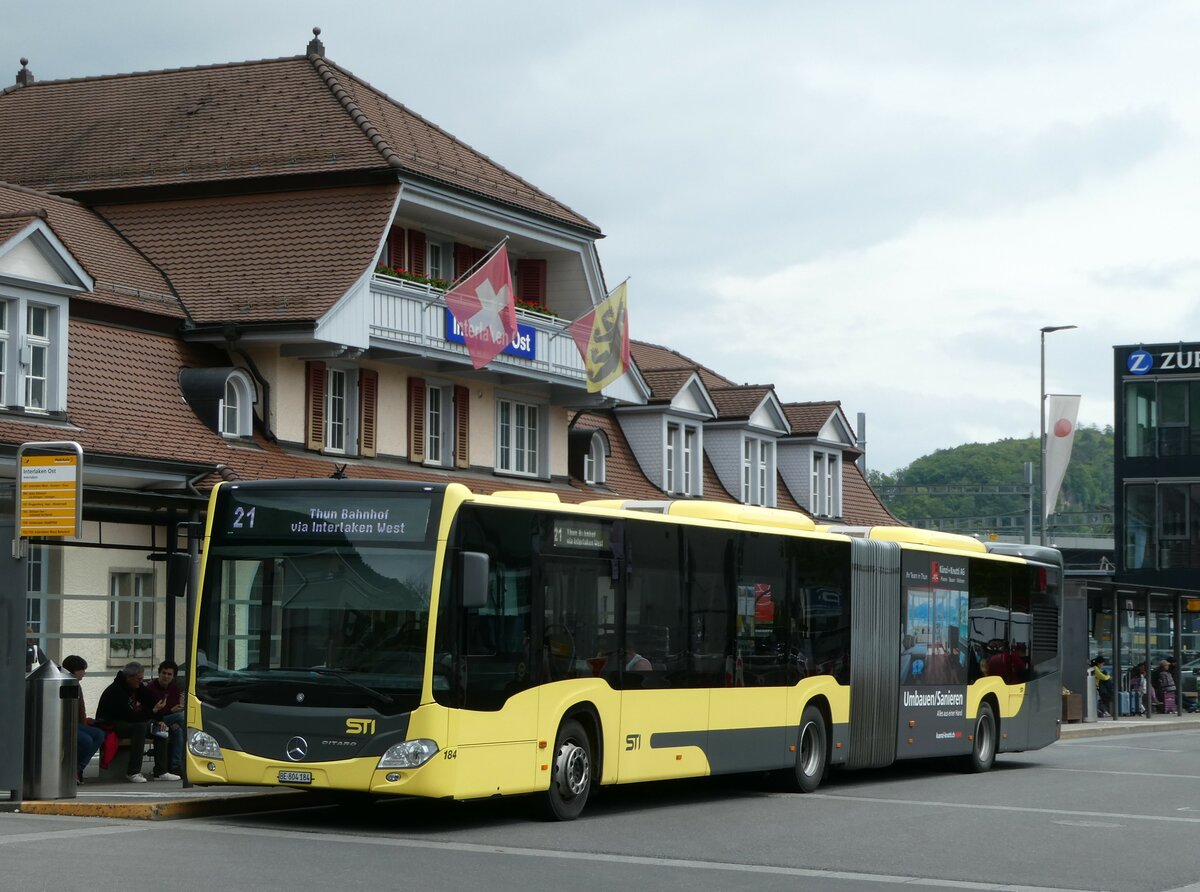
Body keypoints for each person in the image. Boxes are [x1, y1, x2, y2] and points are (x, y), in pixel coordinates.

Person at [95, 661, 178, 782]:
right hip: (112, 723)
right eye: (139, 679)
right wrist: (153, 712)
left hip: (129, 721)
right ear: (129, 677)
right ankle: (133, 772)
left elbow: (154, 701)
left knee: (159, 728)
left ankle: (160, 771)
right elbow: (130, 716)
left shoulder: (136, 686)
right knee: (140, 727)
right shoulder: (116, 691)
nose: (141, 681)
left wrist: (160, 720)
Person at [62, 655, 106, 784]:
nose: (84, 673)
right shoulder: (65, 684)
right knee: (86, 740)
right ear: (75, 670)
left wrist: (83, 725)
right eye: (83, 670)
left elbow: (81, 709)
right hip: (62, 725)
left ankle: (77, 769)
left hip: (74, 724)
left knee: (98, 734)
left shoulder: (77, 685)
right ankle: (70, 770)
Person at [146, 660, 185, 776]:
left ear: (173, 676)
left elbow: (175, 706)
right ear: (159, 673)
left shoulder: (174, 689)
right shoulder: (150, 688)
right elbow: (151, 712)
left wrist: (175, 720)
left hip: (169, 721)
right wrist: (171, 712)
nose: (166, 676)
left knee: (178, 731)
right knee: (181, 717)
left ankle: (175, 766)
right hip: (153, 721)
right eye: (164, 673)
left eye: (169, 674)